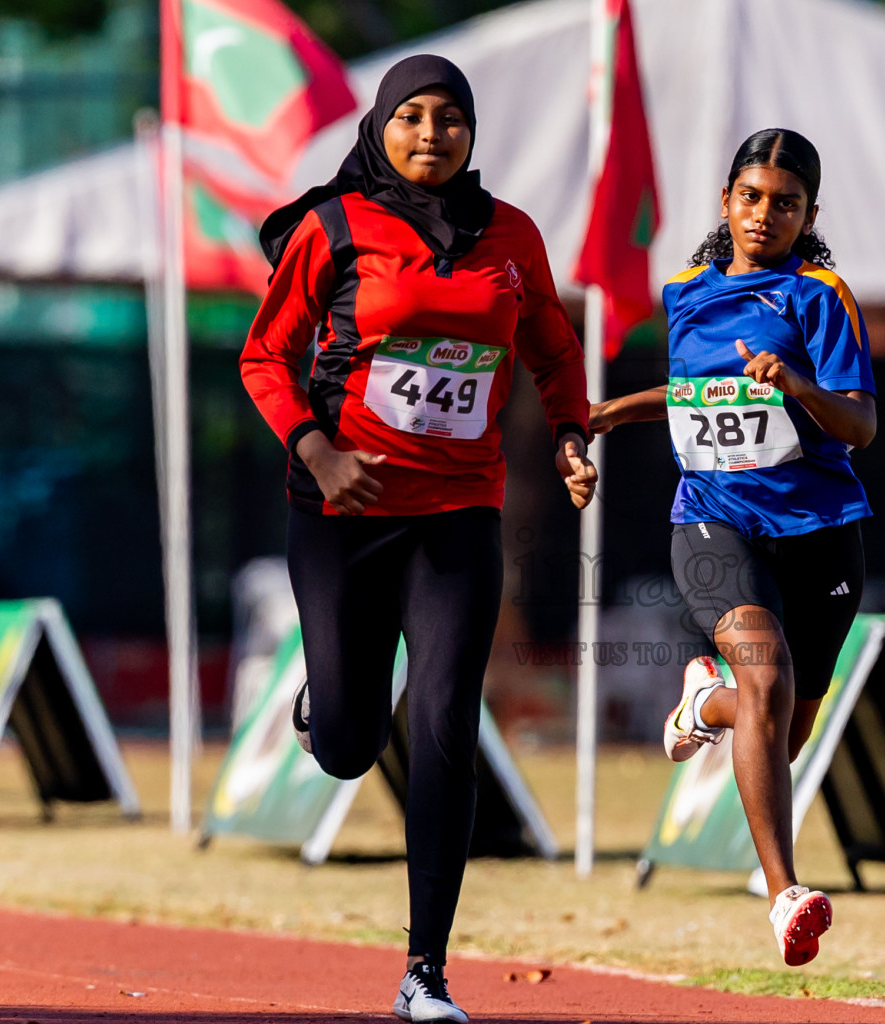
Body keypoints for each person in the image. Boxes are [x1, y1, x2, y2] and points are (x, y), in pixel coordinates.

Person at [239, 55, 596, 1024]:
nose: (433, 134)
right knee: (351, 746)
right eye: (413, 118)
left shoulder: (510, 237)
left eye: (450, 119)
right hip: (341, 510)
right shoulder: (337, 227)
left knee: (443, 723)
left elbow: (553, 351)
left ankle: (424, 972)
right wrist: (316, 451)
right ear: (382, 128)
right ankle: (334, 694)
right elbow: (265, 355)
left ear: (471, 133)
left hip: (458, 513)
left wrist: (570, 432)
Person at [590, 128, 875, 968]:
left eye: (784, 203)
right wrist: (612, 412)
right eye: (751, 197)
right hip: (713, 520)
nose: (764, 215)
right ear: (726, 201)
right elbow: (693, 398)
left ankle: (700, 705)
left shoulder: (822, 297)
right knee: (768, 678)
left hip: (820, 534)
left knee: (778, 731)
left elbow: (860, 425)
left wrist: (795, 385)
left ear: (809, 214)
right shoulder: (685, 293)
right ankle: (787, 890)